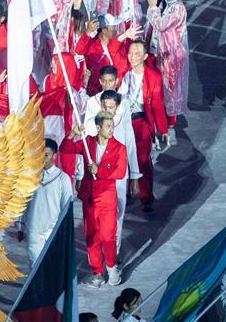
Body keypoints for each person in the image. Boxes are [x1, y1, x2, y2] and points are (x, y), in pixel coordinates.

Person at [61, 112, 127, 287]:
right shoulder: (87, 142)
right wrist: (73, 133)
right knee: (91, 237)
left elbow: (120, 173)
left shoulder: (119, 147)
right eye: (108, 126)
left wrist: (100, 172)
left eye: (112, 125)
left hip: (107, 199)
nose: (111, 129)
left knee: (107, 236)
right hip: (89, 199)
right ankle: (97, 273)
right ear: (98, 128)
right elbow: (65, 148)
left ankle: (112, 267)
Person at [83, 89, 140, 252]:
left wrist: (135, 176)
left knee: (118, 214)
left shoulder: (123, 123)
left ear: (117, 107)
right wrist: (81, 175)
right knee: (95, 219)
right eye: (105, 107)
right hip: (95, 182)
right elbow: (83, 152)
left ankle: (114, 251)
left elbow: (131, 148)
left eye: (111, 107)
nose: (108, 110)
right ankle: (98, 253)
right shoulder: (91, 125)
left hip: (117, 180)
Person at [119, 40, 168, 212]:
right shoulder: (124, 71)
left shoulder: (153, 76)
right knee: (121, 158)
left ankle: (146, 196)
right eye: (131, 53)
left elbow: (157, 105)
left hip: (141, 121)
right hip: (121, 121)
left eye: (137, 54)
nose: (132, 57)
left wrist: (163, 129)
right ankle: (123, 191)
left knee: (143, 160)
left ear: (145, 56)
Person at [145, 0, 188, 134]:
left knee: (170, 88)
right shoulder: (162, 4)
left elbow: (161, 25)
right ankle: (158, 119)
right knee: (157, 88)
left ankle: (170, 122)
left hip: (170, 56)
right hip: (155, 51)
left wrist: (153, 7)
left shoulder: (177, 8)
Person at [21, 138, 74, 262]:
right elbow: (24, 202)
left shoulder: (63, 178)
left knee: (51, 267)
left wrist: (65, 232)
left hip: (54, 231)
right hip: (34, 228)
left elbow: (67, 208)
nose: (42, 158)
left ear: (54, 156)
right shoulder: (31, 177)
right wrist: (20, 226)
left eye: (46, 155)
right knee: (36, 267)